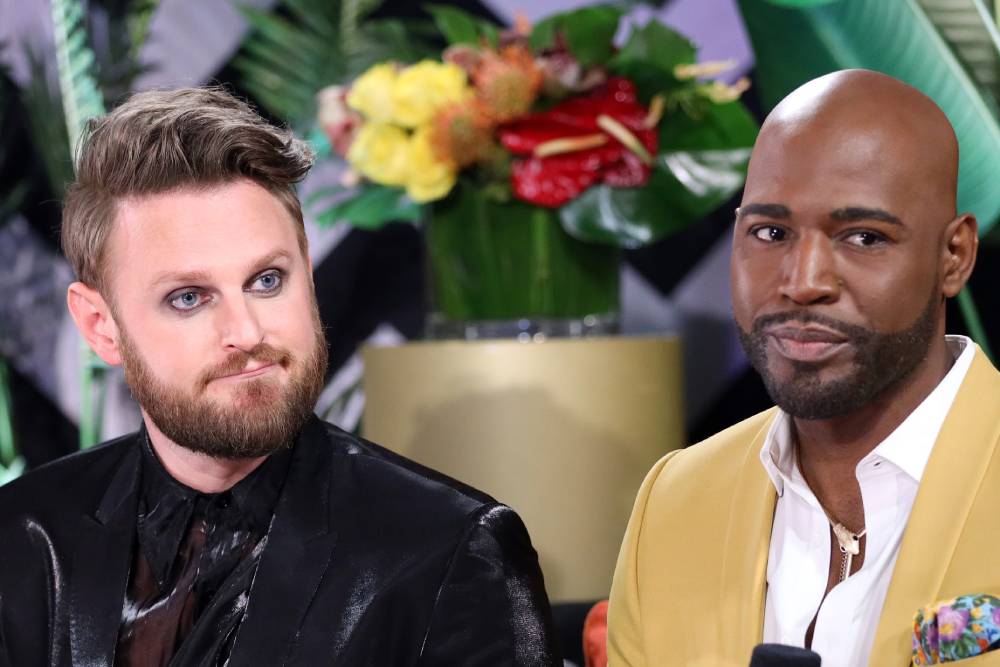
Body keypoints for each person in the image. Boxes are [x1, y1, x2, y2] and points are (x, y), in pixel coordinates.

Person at [0, 87, 559, 666]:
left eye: (267, 280)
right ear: (101, 327)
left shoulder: (450, 550)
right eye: (189, 297)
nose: (246, 331)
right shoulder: (20, 537)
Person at [608, 69, 999, 667]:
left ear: (954, 256)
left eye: (864, 237)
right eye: (770, 232)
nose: (803, 282)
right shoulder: (672, 502)